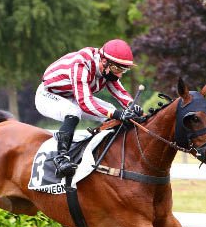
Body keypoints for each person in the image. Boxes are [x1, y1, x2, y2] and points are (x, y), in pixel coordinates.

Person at [35, 38, 141, 178]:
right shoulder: (81, 64)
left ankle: (107, 155)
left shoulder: (107, 68)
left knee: (109, 109)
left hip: (72, 94)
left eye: (123, 70)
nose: (119, 74)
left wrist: (133, 106)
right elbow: (85, 103)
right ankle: (61, 159)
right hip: (47, 95)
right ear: (104, 61)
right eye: (117, 69)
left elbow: (119, 92)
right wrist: (117, 114)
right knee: (74, 112)